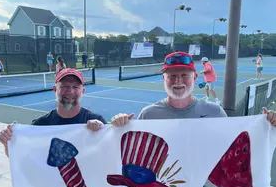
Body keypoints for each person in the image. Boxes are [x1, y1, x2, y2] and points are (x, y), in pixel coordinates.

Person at [110, 51, 276, 127]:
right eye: (172, 76)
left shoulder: (215, 112)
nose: (178, 81)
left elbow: (233, 145)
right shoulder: (148, 115)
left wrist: (267, 125)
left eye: (184, 75)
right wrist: (119, 126)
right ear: (164, 79)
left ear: (195, 78)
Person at [0, 68, 107, 157]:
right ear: (55, 89)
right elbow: (21, 158)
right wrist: (7, 143)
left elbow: (112, 155)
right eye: (64, 86)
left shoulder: (98, 123)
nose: (70, 91)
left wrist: (109, 130)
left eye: (75, 87)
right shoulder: (40, 125)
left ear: (82, 91)